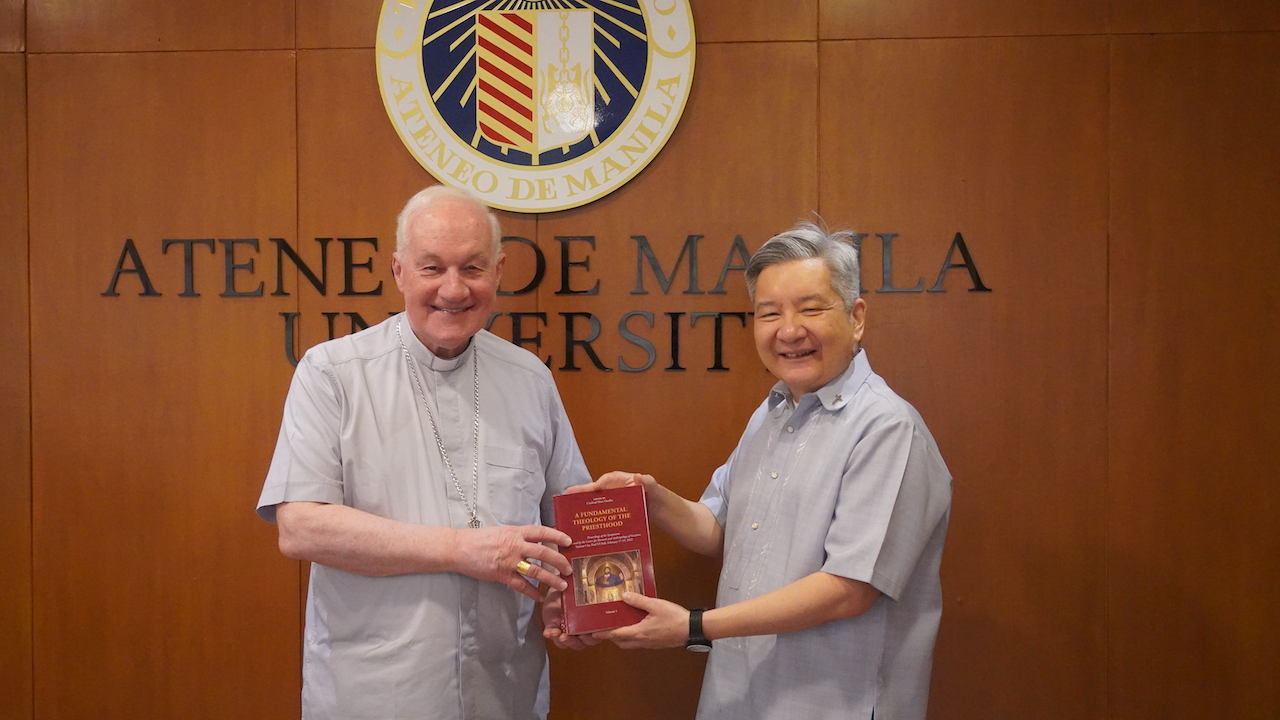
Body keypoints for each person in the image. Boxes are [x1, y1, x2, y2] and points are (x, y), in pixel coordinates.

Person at [550, 222, 952, 720]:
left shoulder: (887, 428)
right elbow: (719, 530)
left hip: (831, 703)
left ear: (856, 317)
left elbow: (849, 589)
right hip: (741, 695)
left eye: (811, 308)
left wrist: (694, 627)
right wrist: (650, 498)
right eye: (769, 313)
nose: (789, 330)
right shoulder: (772, 414)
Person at [257, 185, 591, 720]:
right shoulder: (332, 374)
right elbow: (301, 528)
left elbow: (570, 523)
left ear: (500, 271)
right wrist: (461, 549)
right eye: (432, 268)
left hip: (504, 694)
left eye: (473, 268)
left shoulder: (531, 379)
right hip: (374, 695)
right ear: (399, 271)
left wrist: (568, 596)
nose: (453, 290)